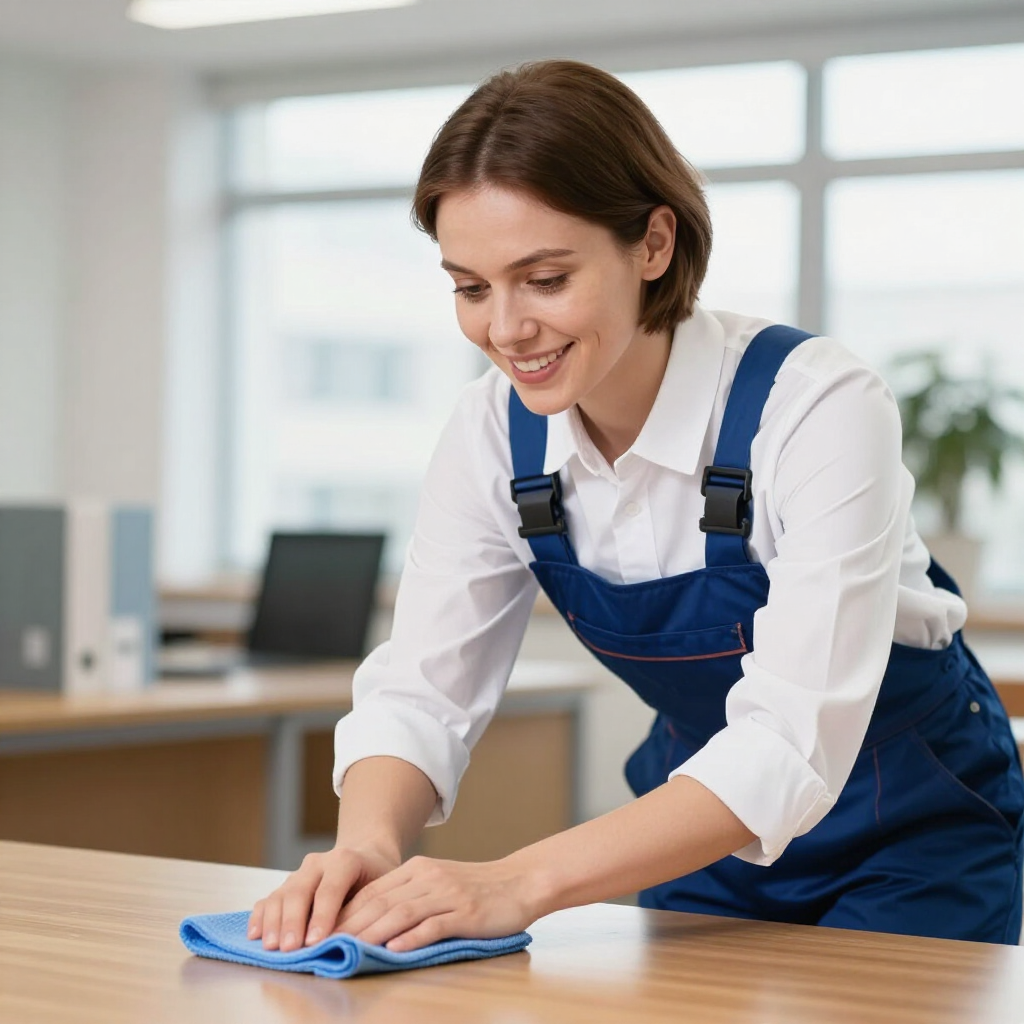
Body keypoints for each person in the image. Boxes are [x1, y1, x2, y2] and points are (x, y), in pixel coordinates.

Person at [248, 59, 1024, 952]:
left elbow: (790, 741)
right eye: (470, 287)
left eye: (544, 279)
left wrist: (516, 883)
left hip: (913, 835)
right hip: (697, 830)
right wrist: (366, 848)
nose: (504, 329)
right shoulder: (493, 433)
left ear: (653, 245)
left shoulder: (815, 405)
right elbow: (423, 687)